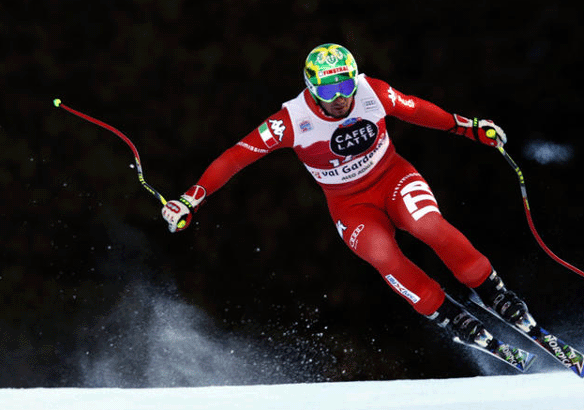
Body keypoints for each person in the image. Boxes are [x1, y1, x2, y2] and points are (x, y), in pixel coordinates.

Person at [161, 43, 530, 349]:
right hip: (350, 204)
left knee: (427, 225)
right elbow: (236, 156)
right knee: (383, 254)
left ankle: (491, 290)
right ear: (310, 88)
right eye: (326, 91)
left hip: (393, 177)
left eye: (344, 87)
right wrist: (191, 199)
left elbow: (418, 110)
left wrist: (470, 129)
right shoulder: (291, 119)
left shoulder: (372, 92)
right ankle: (447, 314)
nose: (338, 99)